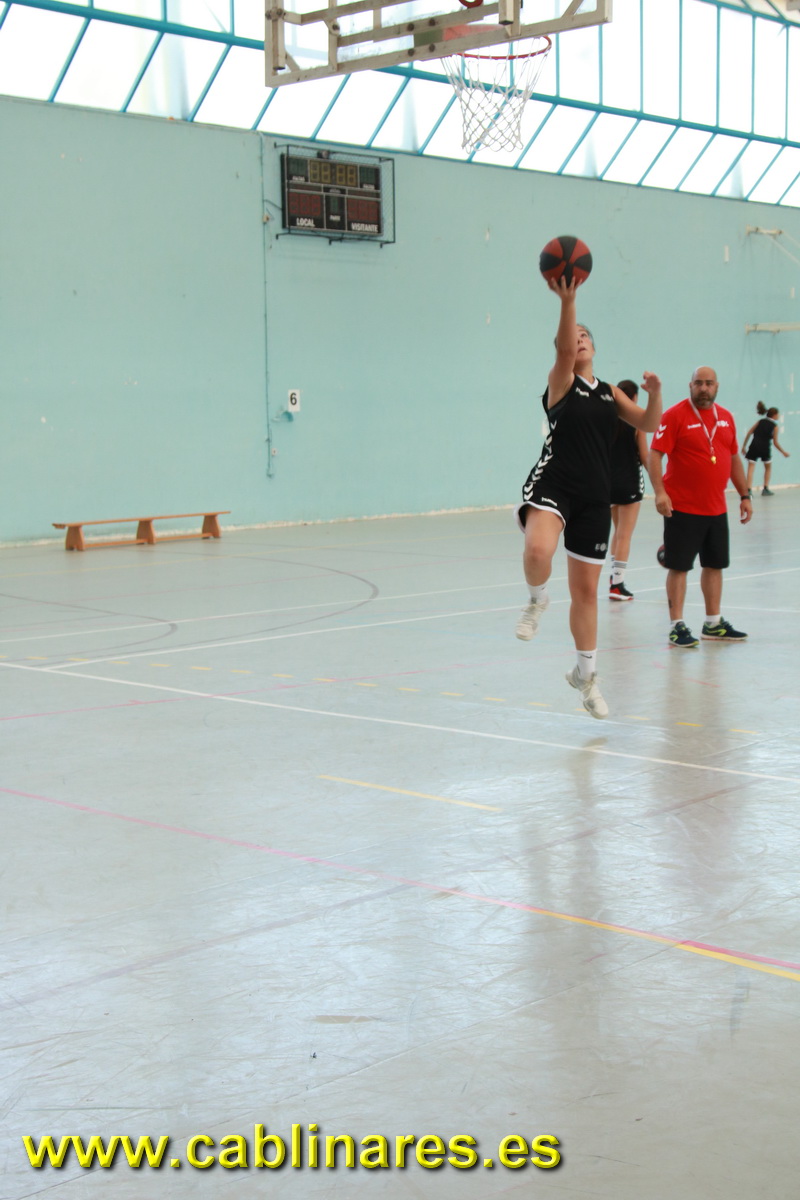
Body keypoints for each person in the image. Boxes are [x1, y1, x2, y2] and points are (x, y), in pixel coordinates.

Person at [515, 277, 662, 719]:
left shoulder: (608, 392)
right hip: (555, 484)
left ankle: (586, 676)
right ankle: (537, 599)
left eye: (585, 336)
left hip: (595, 497)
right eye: (572, 336)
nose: (578, 340)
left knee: (586, 594)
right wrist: (569, 300)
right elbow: (563, 352)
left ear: (594, 347)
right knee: (538, 550)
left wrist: (655, 393)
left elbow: (648, 423)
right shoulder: (561, 382)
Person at [648, 366, 753, 649]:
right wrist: (660, 492)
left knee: (715, 565)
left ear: (716, 386)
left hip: (716, 508)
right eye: (698, 383)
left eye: (709, 383)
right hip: (682, 507)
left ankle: (713, 623)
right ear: (690, 385)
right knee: (679, 567)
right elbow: (655, 455)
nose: (704, 388)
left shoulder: (726, 418)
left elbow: (733, 458)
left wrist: (745, 495)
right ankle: (676, 625)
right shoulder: (674, 416)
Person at [608, 379, 650, 600]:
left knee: (617, 532)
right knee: (624, 535)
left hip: (607, 484)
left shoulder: (605, 420)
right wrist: (660, 481)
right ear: (633, 399)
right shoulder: (637, 421)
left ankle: (613, 577)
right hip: (629, 483)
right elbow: (644, 456)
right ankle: (617, 584)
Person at [742, 402, 790, 495]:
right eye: (778, 414)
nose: (779, 416)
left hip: (754, 446)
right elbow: (775, 443)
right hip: (765, 448)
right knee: (768, 467)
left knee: (751, 468)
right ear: (774, 415)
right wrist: (783, 452)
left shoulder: (760, 421)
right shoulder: (775, 426)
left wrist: (744, 446)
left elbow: (749, 433)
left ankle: (749, 490)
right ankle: (765, 488)